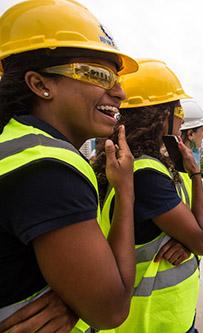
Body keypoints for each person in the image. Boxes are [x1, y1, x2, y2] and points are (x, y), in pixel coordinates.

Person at [0, 1, 139, 332]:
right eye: (99, 74)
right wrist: (126, 191)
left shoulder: (14, 144)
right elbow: (112, 310)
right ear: (40, 84)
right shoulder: (45, 167)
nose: (119, 92)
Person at [94, 59, 203, 333]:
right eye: (178, 109)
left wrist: (186, 241)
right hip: (153, 320)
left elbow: (187, 235)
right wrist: (196, 174)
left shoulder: (137, 164)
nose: (182, 118)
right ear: (161, 116)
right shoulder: (146, 174)